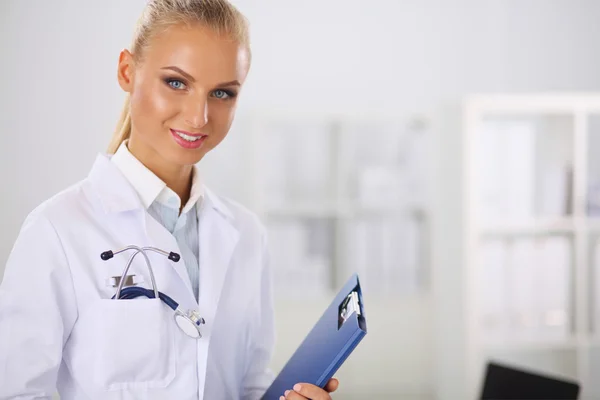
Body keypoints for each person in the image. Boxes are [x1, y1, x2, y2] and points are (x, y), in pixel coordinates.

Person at [0, 1, 340, 399]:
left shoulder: (247, 234)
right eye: (176, 82)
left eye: (222, 93)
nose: (199, 117)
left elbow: (249, 383)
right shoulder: (56, 231)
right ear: (127, 71)